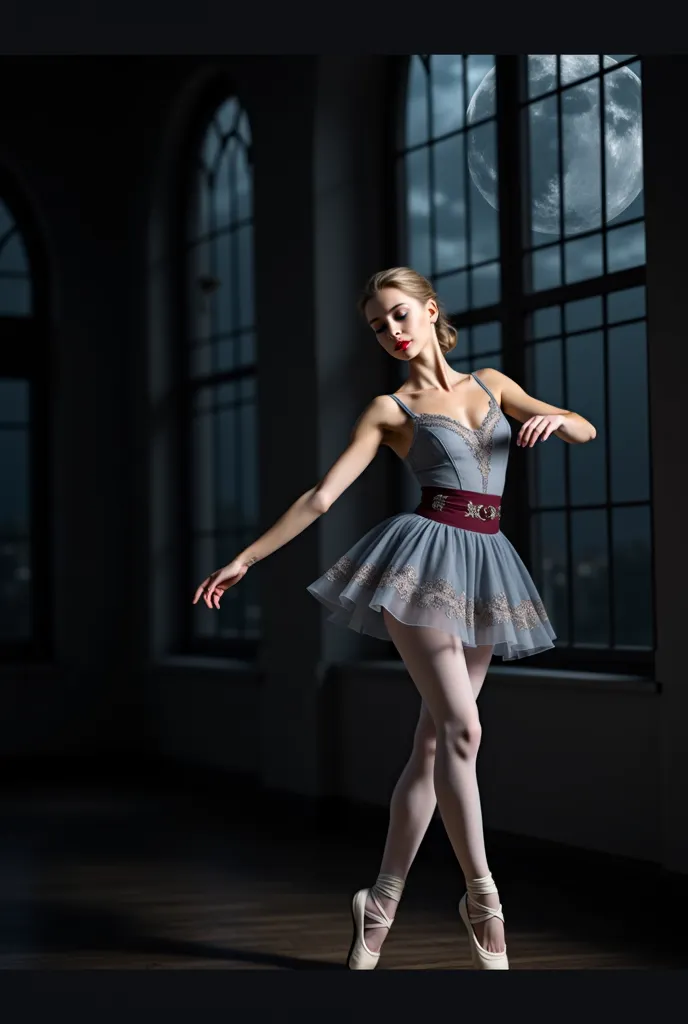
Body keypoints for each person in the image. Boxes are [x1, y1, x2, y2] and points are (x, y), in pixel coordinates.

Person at [193, 266, 596, 971]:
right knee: (464, 728)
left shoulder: (493, 384)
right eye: (379, 326)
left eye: (400, 315)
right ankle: (484, 898)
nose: (393, 333)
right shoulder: (389, 409)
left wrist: (558, 420)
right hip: (420, 563)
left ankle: (378, 906)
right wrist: (246, 560)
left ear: (430, 309)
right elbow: (321, 497)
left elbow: (586, 431)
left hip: (486, 565)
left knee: (435, 746)